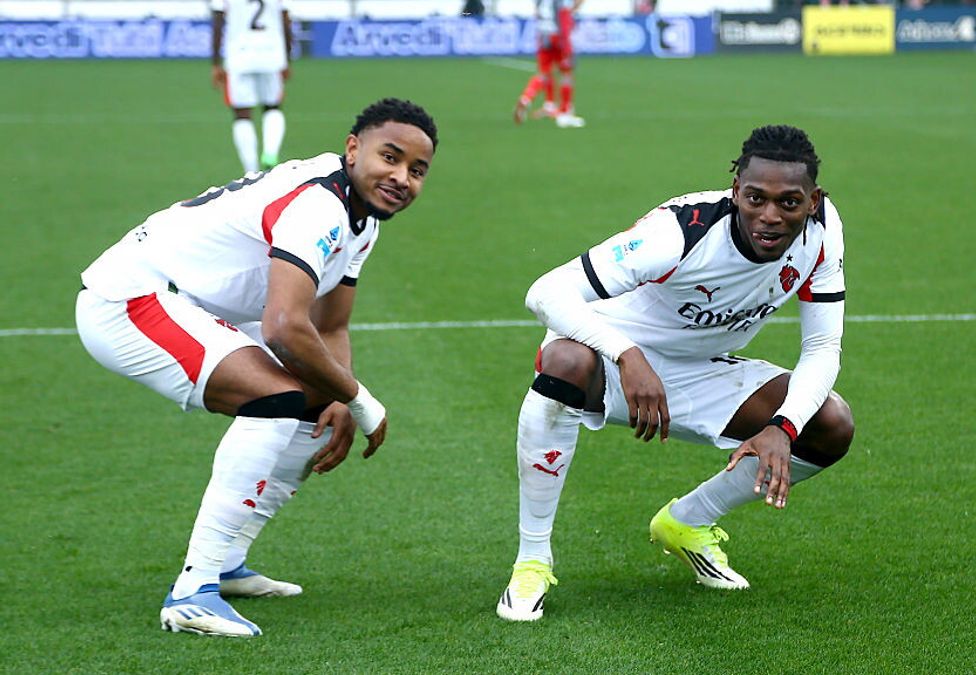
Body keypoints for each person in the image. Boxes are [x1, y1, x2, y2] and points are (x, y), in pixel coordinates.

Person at [75, 98, 438, 637]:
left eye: (417, 170)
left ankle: (225, 564)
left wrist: (341, 394)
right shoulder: (319, 205)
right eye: (390, 157)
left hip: (196, 303)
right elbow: (284, 328)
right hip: (134, 297)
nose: (401, 177)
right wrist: (361, 399)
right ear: (353, 148)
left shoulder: (362, 218)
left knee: (318, 403)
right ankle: (192, 593)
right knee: (277, 400)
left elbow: (330, 326)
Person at [496, 125, 854, 621]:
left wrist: (783, 426)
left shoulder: (822, 233)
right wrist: (627, 355)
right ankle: (532, 561)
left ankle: (687, 521)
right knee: (564, 364)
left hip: (702, 371)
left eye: (789, 203)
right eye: (756, 198)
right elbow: (545, 293)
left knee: (830, 423)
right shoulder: (679, 232)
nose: (770, 216)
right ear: (736, 192)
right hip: (609, 359)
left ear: (813, 201)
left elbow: (822, 347)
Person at [211, 0, 294, 173]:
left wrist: (216, 63)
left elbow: (218, 22)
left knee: (242, 114)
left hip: (239, 55)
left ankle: (251, 170)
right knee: (273, 106)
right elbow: (285, 19)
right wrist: (287, 58)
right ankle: (271, 153)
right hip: (271, 53)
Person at [513, 0, 586, 129]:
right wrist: (567, 46)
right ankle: (565, 113)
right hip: (558, 36)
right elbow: (564, 15)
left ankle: (527, 99)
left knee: (544, 74)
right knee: (566, 74)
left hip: (543, 37)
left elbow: (537, 13)